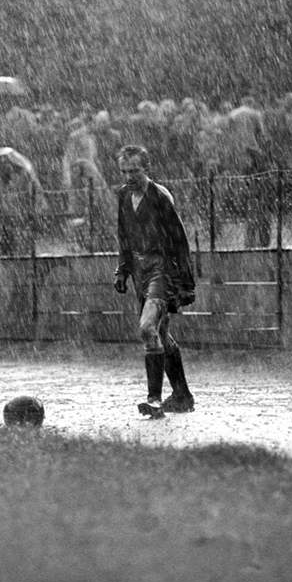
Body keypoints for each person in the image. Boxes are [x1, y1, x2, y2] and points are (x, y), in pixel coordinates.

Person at [113, 144, 196, 418]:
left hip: (161, 268)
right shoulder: (124, 196)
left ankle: (154, 398)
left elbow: (179, 241)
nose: (129, 176)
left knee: (147, 327)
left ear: (146, 169)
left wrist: (185, 282)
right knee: (160, 333)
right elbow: (123, 235)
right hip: (140, 269)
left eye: (134, 170)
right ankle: (182, 394)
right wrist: (123, 269)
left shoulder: (160, 197)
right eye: (124, 171)